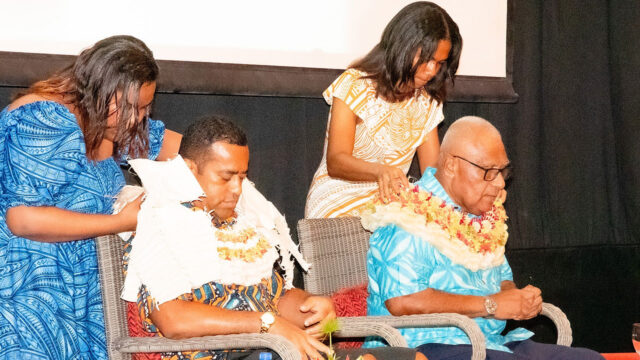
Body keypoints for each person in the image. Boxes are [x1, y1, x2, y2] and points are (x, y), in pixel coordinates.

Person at [119, 115, 423, 360]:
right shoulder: (160, 221)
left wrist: (312, 307)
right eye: (225, 177)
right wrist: (267, 324)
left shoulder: (243, 222)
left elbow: (275, 298)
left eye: (241, 177)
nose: (237, 189)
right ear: (189, 170)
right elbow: (174, 320)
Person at [361, 116, 604, 359]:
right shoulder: (407, 215)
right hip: (424, 348)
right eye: (488, 171)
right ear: (451, 166)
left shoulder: (483, 217)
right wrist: (492, 305)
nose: (500, 183)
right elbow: (403, 302)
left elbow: (503, 281)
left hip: (491, 344)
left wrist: (518, 299)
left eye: (502, 172)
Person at [0, 35, 182, 359]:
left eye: (145, 108)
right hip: (32, 292)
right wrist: (120, 222)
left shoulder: (107, 121)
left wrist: (221, 171)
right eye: (132, 107)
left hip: (82, 294)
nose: (137, 118)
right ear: (100, 88)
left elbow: (191, 151)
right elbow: (23, 218)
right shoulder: (46, 117)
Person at [305, 1, 462, 218]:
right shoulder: (354, 84)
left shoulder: (426, 102)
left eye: (439, 63)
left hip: (390, 205)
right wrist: (380, 171)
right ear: (403, 45)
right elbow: (336, 161)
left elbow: (432, 176)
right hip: (338, 198)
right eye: (426, 60)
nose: (431, 71)